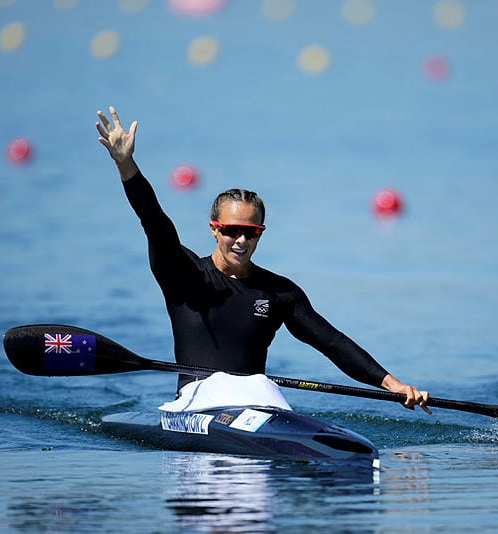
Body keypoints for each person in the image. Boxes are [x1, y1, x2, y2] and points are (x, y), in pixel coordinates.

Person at [96, 106, 430, 411]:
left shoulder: (279, 292)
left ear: (261, 232)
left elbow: (331, 342)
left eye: (251, 232)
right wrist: (125, 163)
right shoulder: (184, 273)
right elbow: (154, 221)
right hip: (198, 403)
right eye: (231, 230)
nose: (240, 240)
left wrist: (393, 384)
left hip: (257, 400)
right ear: (214, 229)